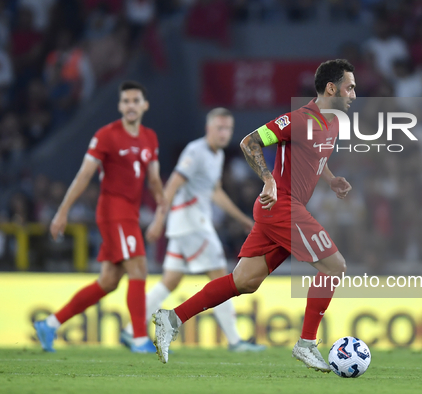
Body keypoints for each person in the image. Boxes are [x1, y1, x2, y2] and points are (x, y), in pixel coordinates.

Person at [152, 59, 355, 371]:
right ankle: (306, 343)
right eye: (350, 87)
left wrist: (331, 180)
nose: (354, 94)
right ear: (331, 88)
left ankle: (172, 318)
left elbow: (317, 155)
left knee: (244, 281)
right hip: (281, 207)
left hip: (283, 210)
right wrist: (269, 180)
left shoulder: (334, 123)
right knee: (334, 266)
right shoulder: (298, 120)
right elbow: (250, 142)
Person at [120, 107, 266, 352]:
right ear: (208, 128)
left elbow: (215, 192)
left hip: (186, 226)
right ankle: (234, 341)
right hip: (192, 224)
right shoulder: (195, 151)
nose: (224, 133)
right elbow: (172, 185)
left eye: (228, 128)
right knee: (221, 278)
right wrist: (158, 220)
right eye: (219, 127)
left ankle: (129, 330)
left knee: (170, 281)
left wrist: (241, 218)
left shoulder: (217, 155)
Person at [34, 81, 164, 353]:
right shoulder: (107, 135)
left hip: (130, 213)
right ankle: (138, 337)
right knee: (138, 268)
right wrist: (63, 210)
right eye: (125, 101)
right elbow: (85, 174)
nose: (130, 105)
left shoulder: (150, 137)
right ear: (120, 105)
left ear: (145, 105)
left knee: (108, 282)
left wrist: (162, 210)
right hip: (113, 211)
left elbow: (153, 179)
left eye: (135, 100)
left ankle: (50, 324)